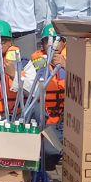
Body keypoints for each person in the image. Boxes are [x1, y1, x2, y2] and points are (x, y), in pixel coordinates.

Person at [31, 23, 66, 170]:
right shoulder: (34, 62)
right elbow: (27, 89)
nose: (54, 44)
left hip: (65, 121)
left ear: (64, 42)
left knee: (51, 152)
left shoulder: (76, 60)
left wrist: (67, 66)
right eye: (49, 40)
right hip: (45, 119)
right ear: (43, 45)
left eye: (57, 40)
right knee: (46, 154)